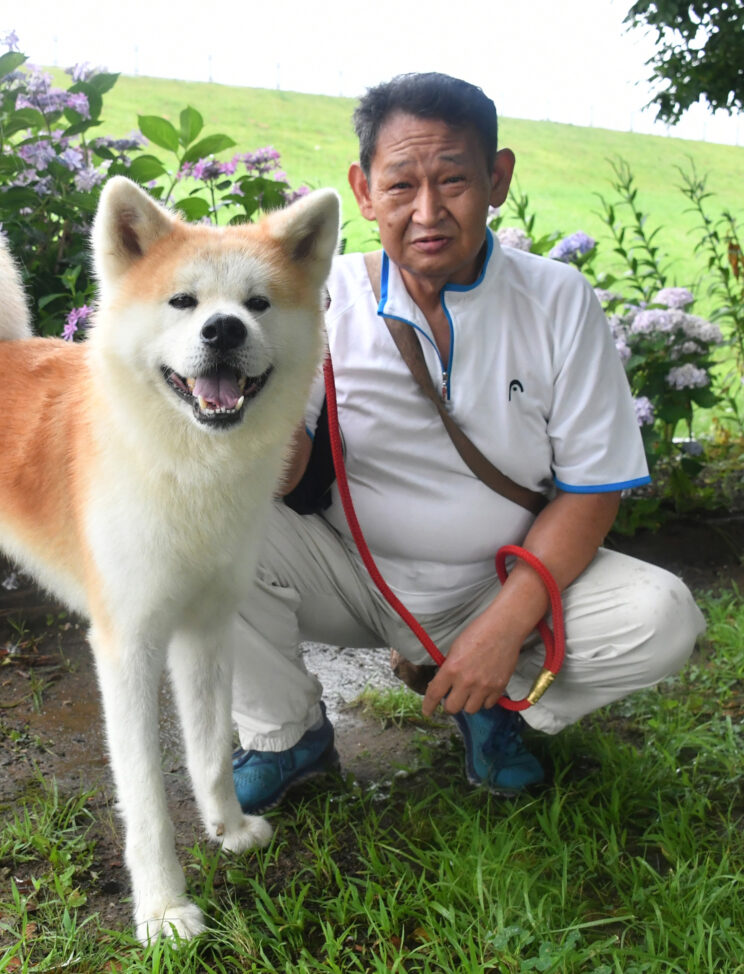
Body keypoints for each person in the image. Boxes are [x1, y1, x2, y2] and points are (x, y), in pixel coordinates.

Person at [230, 72, 706, 812]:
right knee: (201, 534)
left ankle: (491, 697)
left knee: (662, 617)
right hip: (354, 579)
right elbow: (283, 477)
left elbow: (592, 489)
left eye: (453, 180)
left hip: (500, 580)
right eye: (400, 185)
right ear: (362, 189)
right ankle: (285, 732)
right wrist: (266, 408)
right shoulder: (316, 298)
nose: (428, 212)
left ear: (498, 179)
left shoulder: (556, 300)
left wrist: (502, 627)